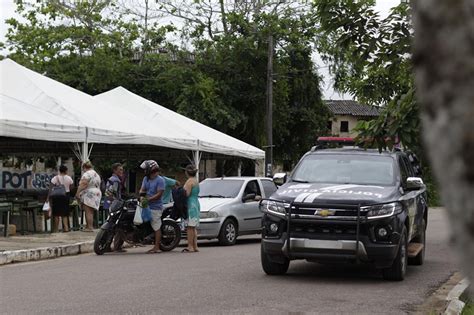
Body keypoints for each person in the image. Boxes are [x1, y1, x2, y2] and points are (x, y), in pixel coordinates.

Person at [139, 160, 165, 254]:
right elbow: (142, 189)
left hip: (156, 207)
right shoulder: (146, 179)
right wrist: (141, 196)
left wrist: (148, 199)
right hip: (146, 205)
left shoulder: (160, 180)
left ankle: (157, 247)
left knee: (156, 226)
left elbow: (159, 194)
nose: (144, 171)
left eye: (145, 169)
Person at [104, 163, 126, 252]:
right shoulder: (116, 181)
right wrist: (117, 201)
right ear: (114, 170)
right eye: (120, 170)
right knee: (119, 225)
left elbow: (107, 193)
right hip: (115, 205)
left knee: (110, 225)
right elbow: (114, 194)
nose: (122, 171)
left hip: (108, 204)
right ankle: (117, 246)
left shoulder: (110, 179)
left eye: (122, 169)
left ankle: (107, 245)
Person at [75, 161, 102, 232]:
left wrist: (77, 193)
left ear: (84, 167)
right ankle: (88, 226)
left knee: (88, 211)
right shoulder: (96, 174)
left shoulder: (87, 174)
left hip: (89, 193)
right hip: (96, 192)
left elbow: (84, 184)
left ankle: (89, 227)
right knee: (91, 211)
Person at [48, 165, 74, 233]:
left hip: (57, 196)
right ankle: (66, 228)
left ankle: (56, 229)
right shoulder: (69, 178)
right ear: (66, 171)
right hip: (66, 196)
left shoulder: (55, 178)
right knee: (65, 213)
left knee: (56, 214)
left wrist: (48, 197)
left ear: (59, 170)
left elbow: (51, 188)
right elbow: (71, 187)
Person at [182, 164, 200, 253]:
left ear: (187, 172)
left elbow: (187, 194)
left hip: (190, 204)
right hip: (196, 203)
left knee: (189, 227)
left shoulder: (189, 182)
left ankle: (190, 246)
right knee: (194, 227)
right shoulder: (196, 181)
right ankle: (195, 246)